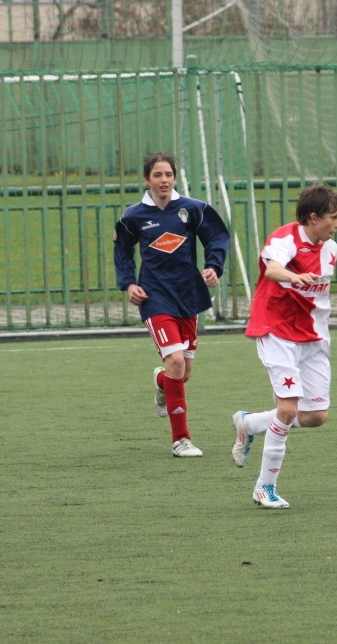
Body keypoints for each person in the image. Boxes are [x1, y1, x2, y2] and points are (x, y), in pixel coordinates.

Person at [229, 184, 337, 509]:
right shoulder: (285, 239)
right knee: (288, 409)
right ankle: (264, 488)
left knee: (315, 416)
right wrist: (293, 278)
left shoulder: (330, 249)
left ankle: (249, 424)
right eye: (332, 218)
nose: (336, 224)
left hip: (313, 336)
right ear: (313, 217)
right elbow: (272, 268)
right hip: (276, 330)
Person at [113, 152, 230, 458]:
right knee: (176, 362)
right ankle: (181, 439)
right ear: (146, 180)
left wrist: (213, 267)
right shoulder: (133, 216)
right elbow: (123, 252)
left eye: (168, 174)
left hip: (187, 296)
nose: (163, 180)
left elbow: (216, 237)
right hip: (154, 297)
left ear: (174, 177)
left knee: (182, 372)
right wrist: (129, 284)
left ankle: (160, 381)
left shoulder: (193, 209)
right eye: (157, 175)